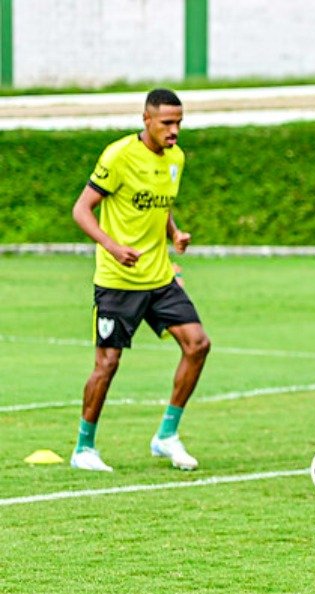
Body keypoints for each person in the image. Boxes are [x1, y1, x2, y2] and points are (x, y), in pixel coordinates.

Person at [69, 88, 210, 472]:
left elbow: (158, 204)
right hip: (118, 279)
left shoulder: (175, 158)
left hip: (159, 276)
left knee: (197, 345)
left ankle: (166, 436)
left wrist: (174, 233)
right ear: (146, 120)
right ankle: (84, 448)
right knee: (108, 363)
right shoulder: (117, 156)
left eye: (179, 122)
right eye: (167, 122)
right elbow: (81, 210)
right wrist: (112, 246)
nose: (175, 130)